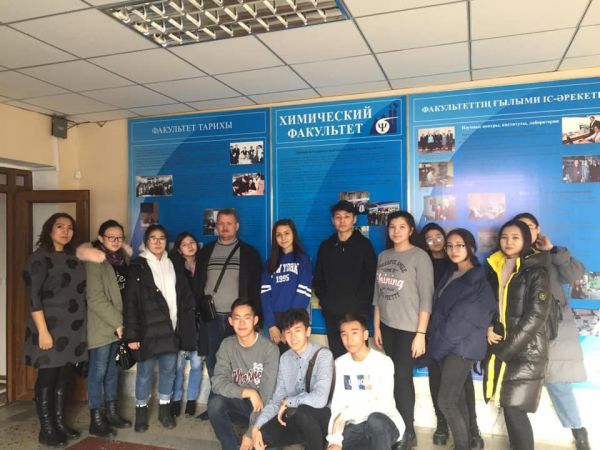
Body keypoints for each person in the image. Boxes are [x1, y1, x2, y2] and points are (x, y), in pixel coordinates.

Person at [514, 213, 590, 450]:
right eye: (521, 227)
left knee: (558, 383)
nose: (526, 231)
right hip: (524, 328)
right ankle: (519, 437)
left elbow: (576, 276)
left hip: (554, 328)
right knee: (518, 383)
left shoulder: (551, 254)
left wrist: (553, 250)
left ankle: (578, 430)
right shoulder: (513, 256)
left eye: (530, 226)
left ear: (538, 229)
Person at [425, 229, 496, 450]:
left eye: (460, 245)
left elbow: (461, 321)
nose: (453, 250)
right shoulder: (452, 272)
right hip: (450, 345)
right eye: (450, 246)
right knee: (457, 400)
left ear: (471, 248)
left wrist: (436, 348)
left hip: (462, 347)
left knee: (446, 401)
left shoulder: (477, 279)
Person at [484, 219, 551, 450]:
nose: (509, 242)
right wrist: (489, 326)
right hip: (505, 347)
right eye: (504, 237)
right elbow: (491, 305)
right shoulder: (496, 265)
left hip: (527, 349)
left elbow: (536, 316)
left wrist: (507, 350)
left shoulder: (537, 271)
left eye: (515, 237)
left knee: (514, 408)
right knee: (508, 405)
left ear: (526, 240)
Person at [22, 213, 88, 446]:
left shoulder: (73, 256)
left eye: (69, 227)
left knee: (64, 377)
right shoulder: (39, 258)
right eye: (60, 226)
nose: (65, 231)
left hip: (73, 329)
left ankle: (60, 423)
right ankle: (47, 429)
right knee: (48, 377)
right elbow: (33, 298)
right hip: (49, 327)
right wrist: (43, 331)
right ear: (49, 229)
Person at [123, 224, 196, 432]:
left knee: (169, 372)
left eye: (161, 238)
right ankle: (141, 412)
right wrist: (132, 335)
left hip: (170, 330)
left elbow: (184, 297)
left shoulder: (174, 263)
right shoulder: (138, 266)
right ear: (146, 242)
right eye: (153, 238)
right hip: (147, 332)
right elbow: (130, 303)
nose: (157, 242)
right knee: (144, 373)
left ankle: (164, 411)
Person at [373, 211, 433, 449]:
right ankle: (396, 426)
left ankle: (408, 431)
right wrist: (376, 326)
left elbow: (426, 299)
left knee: (402, 378)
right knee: (391, 377)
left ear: (410, 230)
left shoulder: (420, 257)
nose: (396, 231)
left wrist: (421, 334)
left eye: (401, 227)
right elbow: (378, 295)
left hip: (409, 330)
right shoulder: (383, 256)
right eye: (392, 227)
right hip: (387, 327)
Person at [194, 208, 262, 420]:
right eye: (221, 223)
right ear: (216, 226)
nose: (224, 227)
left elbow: (256, 288)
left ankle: (234, 406)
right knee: (213, 361)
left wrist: (256, 320)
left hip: (238, 320)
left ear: (237, 226)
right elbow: (198, 283)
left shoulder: (249, 253)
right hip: (211, 318)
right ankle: (215, 405)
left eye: (229, 223)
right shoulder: (206, 252)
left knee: (238, 363)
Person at [252, 308, 333, 450]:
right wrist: (256, 426)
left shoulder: (323, 355)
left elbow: (320, 399)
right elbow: (277, 399)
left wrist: (289, 401)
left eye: (297, 330)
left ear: (307, 331)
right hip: (295, 417)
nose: (293, 337)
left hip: (320, 419)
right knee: (263, 435)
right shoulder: (285, 358)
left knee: (303, 412)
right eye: (288, 332)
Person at [207, 298, 279, 450]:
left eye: (246, 318)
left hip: (265, 408)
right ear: (230, 321)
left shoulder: (269, 349)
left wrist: (250, 433)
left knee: (270, 443)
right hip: (241, 403)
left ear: (255, 320)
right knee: (215, 404)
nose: (241, 323)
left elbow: (267, 396)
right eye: (237, 318)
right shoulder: (227, 345)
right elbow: (218, 383)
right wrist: (249, 393)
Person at [326, 313, 404, 450]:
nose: (349, 339)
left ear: (365, 335)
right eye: (344, 334)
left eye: (354, 333)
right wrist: (334, 440)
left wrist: (347, 414)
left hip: (385, 424)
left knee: (375, 420)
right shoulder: (340, 364)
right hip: (356, 426)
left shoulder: (383, 362)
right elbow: (337, 405)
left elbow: (383, 404)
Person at [84, 220, 132, 438]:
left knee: (113, 371)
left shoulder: (123, 260)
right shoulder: (95, 260)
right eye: (111, 237)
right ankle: (96, 419)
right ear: (101, 238)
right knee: (98, 372)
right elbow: (95, 298)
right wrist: (118, 323)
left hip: (119, 325)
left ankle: (112, 413)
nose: (115, 240)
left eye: (119, 237)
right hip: (102, 326)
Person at [314, 200, 377, 358]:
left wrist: (358, 303)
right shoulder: (326, 246)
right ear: (332, 220)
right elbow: (319, 277)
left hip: (357, 313)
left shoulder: (364, 246)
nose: (342, 221)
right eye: (338, 217)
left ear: (354, 219)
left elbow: (371, 278)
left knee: (359, 356)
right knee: (338, 357)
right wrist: (326, 301)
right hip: (332, 313)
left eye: (347, 217)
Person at [168, 232, 208, 418]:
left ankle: (191, 400)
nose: (190, 246)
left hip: (200, 322)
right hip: (181, 323)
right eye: (185, 244)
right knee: (177, 366)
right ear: (178, 249)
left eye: (192, 242)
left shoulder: (204, 264)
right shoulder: (173, 267)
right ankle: (176, 400)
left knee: (197, 364)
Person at [261, 219, 312, 353]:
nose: (283, 238)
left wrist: (288, 326)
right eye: (279, 235)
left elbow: (304, 292)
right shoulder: (269, 263)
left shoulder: (303, 260)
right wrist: (271, 325)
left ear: (293, 234)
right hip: (275, 320)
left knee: (297, 358)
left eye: (286, 233)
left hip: (296, 318)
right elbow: (265, 295)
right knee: (276, 359)